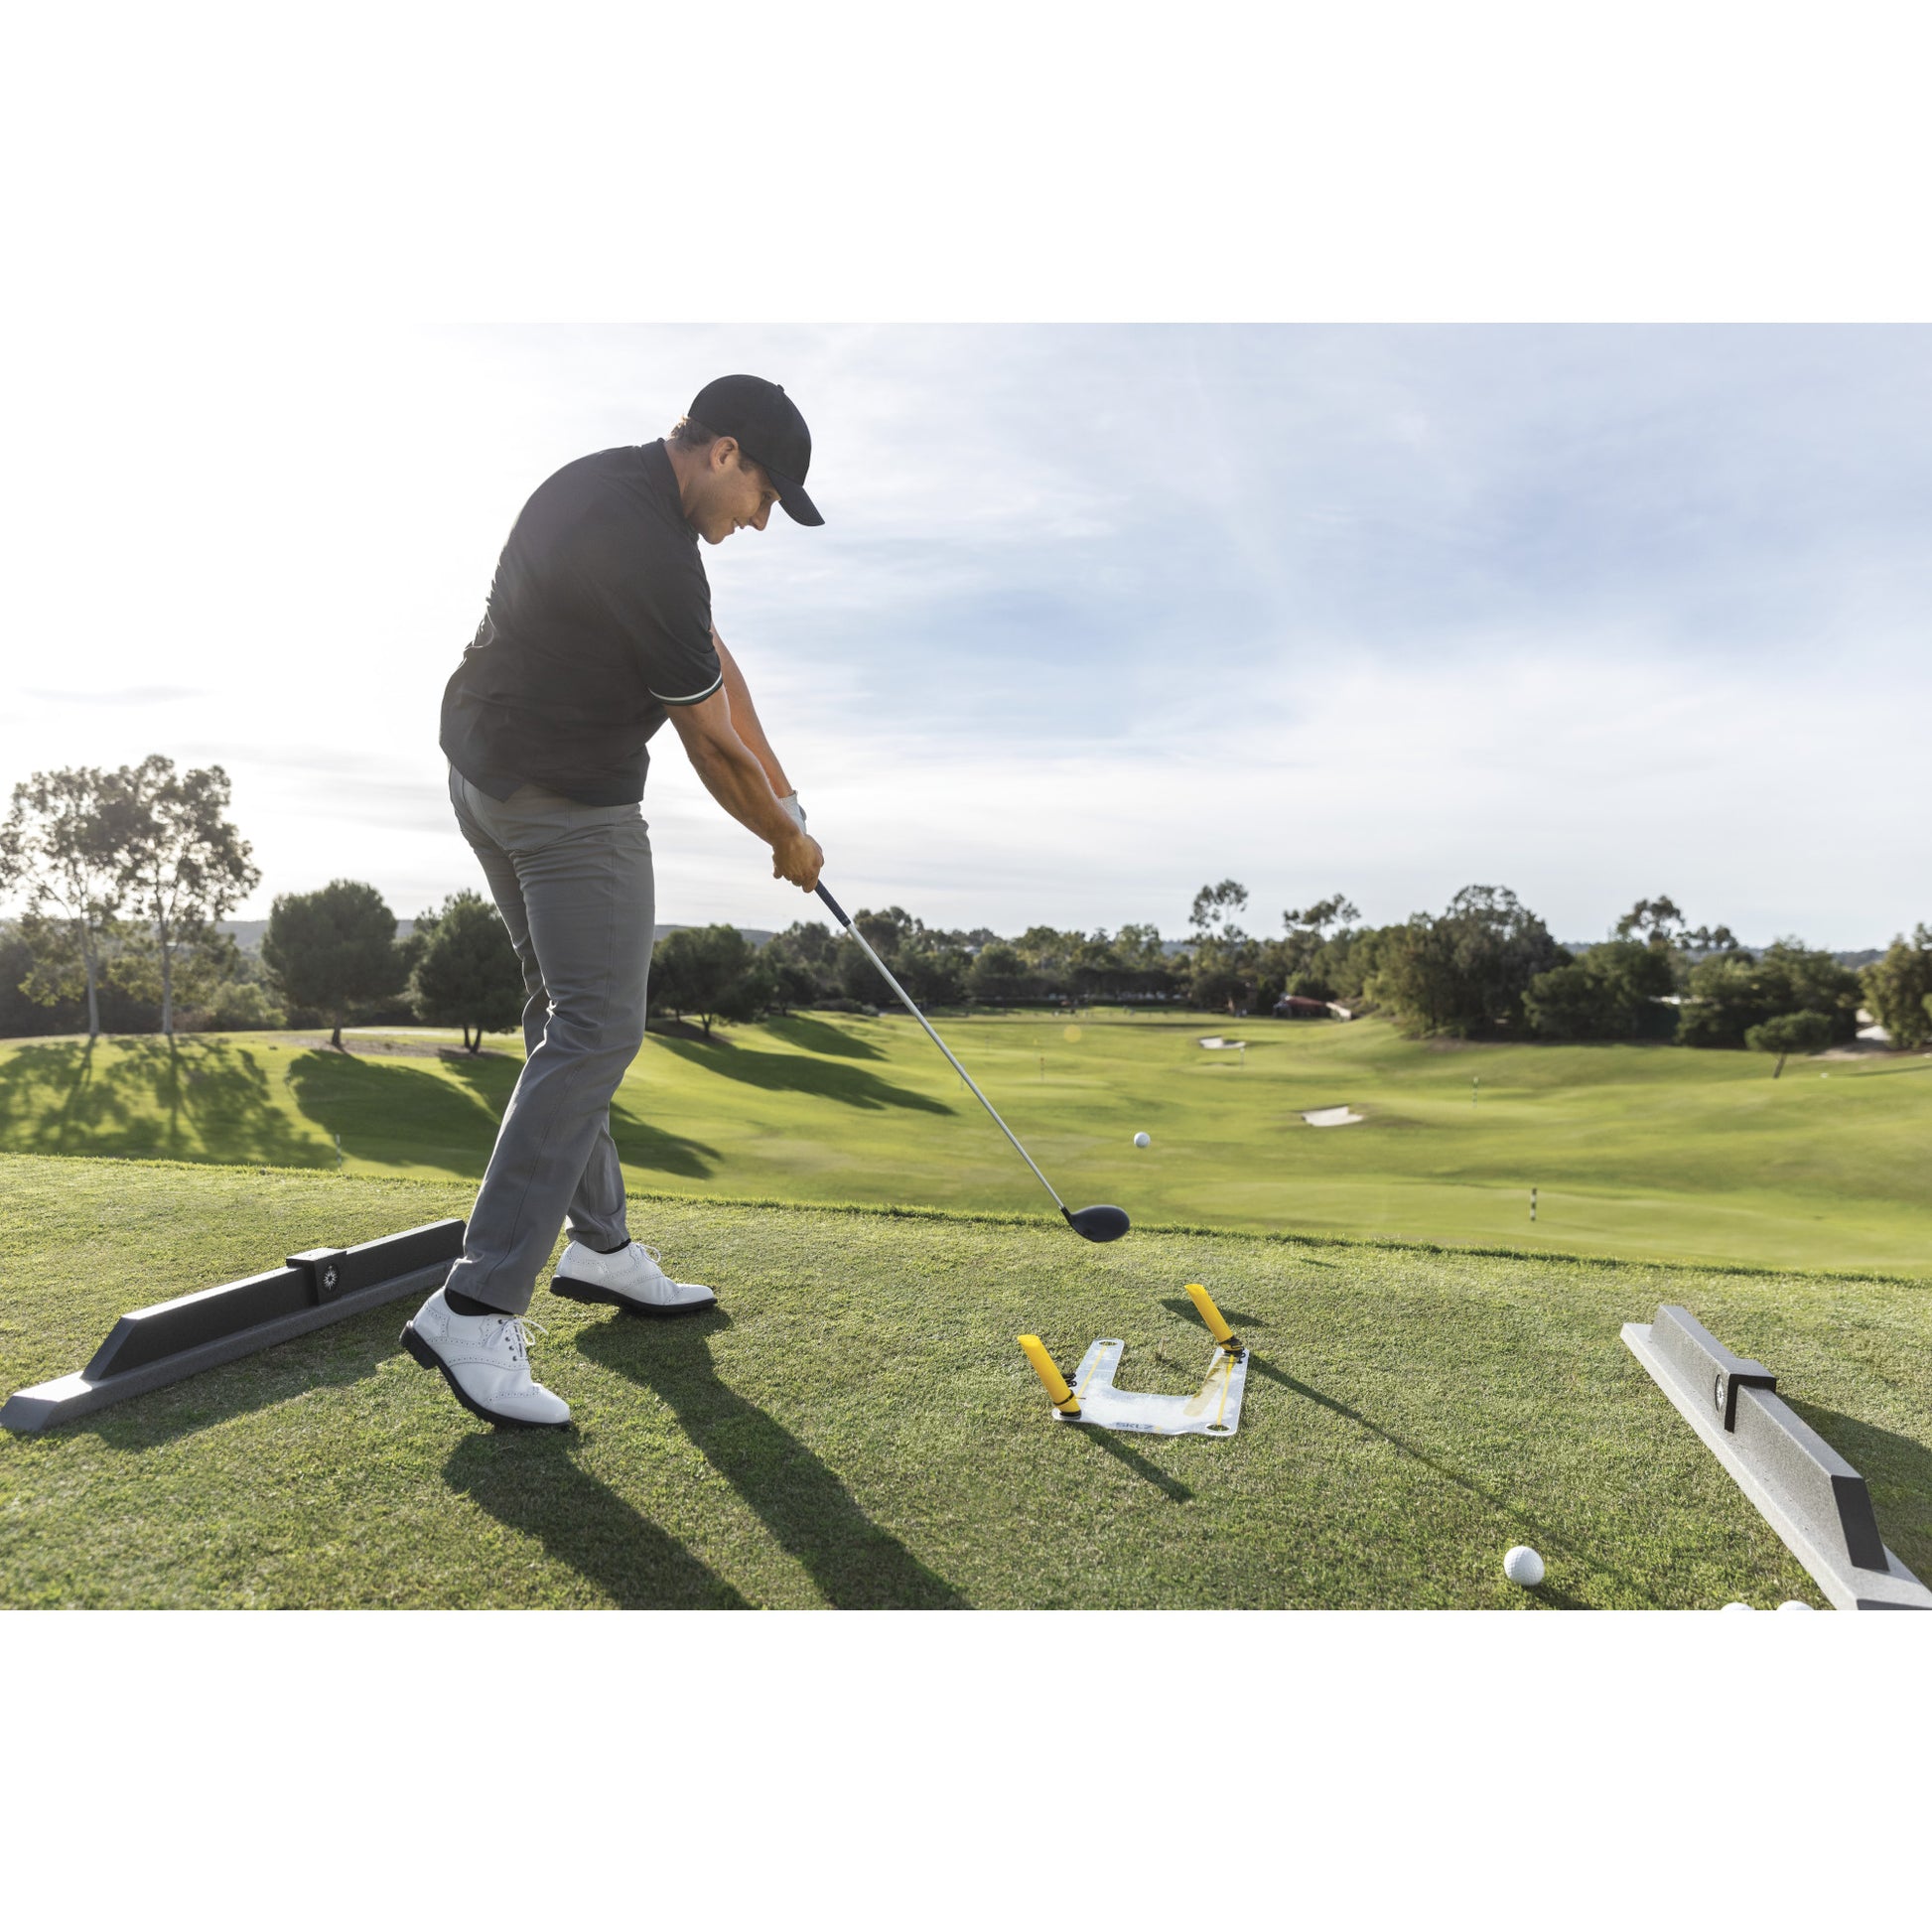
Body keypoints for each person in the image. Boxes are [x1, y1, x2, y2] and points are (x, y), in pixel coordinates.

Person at [402, 374, 826, 1429]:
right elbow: (706, 741)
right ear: (724, 452)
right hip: (564, 805)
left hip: (483, 782)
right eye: (765, 491)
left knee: (563, 1015)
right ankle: (476, 1299)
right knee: (598, 1028)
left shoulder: (615, 489)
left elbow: (716, 667)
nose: (761, 518)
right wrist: (784, 837)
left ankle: (600, 1249)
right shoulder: (649, 547)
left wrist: (784, 788)